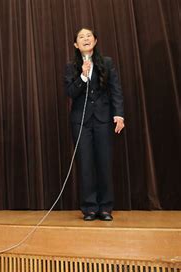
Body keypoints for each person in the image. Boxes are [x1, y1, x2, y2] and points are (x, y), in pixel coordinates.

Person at [64, 28, 125, 221]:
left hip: (103, 119)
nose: (85, 39)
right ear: (76, 44)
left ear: (96, 40)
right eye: (81, 37)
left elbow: (115, 89)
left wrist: (119, 114)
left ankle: (105, 207)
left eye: (89, 36)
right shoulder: (71, 67)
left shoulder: (106, 63)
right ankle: (90, 208)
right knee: (86, 164)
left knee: (104, 162)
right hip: (81, 122)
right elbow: (70, 93)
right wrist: (82, 76)